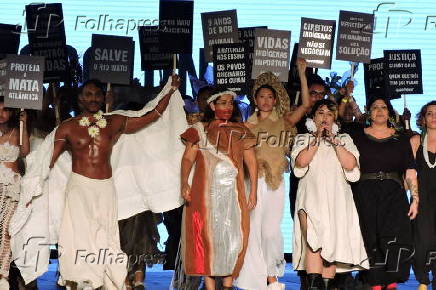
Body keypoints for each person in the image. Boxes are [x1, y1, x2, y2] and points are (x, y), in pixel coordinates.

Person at [49, 75, 181, 289]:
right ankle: (79, 278)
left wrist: (170, 91)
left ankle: (106, 276)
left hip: (105, 186)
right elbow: (50, 160)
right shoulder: (68, 127)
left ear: (104, 98)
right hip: (79, 187)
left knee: (106, 234)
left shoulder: (114, 122)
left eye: (97, 95)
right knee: (77, 234)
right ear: (80, 99)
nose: (93, 99)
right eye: (88, 95)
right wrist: (37, 186)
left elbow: (151, 116)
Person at [235, 59, 309, 290]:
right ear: (255, 100)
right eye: (261, 96)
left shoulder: (284, 122)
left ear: (275, 99)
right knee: (253, 228)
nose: (266, 100)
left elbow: (306, 105)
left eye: (270, 96)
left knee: (270, 230)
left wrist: (302, 74)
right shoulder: (246, 126)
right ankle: (255, 278)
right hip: (253, 182)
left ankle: (272, 273)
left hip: (276, 182)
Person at [179, 90, 258, 290]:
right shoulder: (199, 129)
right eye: (223, 103)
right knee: (206, 235)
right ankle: (209, 285)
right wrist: (184, 182)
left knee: (233, 235)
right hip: (204, 192)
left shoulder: (240, 130)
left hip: (233, 192)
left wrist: (253, 190)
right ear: (212, 106)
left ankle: (228, 285)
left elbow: (251, 161)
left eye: (231, 103)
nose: (228, 107)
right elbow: (188, 158)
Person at [291, 99, 368, 290]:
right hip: (310, 197)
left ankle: (326, 285)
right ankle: (314, 285)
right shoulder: (303, 138)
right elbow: (300, 163)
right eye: (320, 113)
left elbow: (351, 166)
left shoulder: (345, 139)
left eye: (329, 114)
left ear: (334, 119)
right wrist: (317, 140)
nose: (324, 117)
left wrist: (335, 143)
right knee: (313, 242)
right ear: (313, 117)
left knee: (330, 243)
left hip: (336, 199)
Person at [350, 97, 418, 290]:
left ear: (389, 112)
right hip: (365, 192)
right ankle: (375, 283)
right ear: (368, 112)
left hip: (393, 194)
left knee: (394, 237)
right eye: (375, 107)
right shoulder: (356, 136)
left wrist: (415, 199)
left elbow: (410, 172)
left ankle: (391, 283)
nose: (379, 110)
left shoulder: (401, 139)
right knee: (369, 236)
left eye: (383, 107)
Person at [0, 98, 29, 289]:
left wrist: (24, 124)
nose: (1, 114)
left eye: (4, 110)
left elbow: (25, 151)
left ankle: (2, 274)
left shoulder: (16, 132)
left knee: (7, 230)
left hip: (11, 187)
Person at [410, 101, 436, 290]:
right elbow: (410, 173)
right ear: (423, 119)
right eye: (430, 113)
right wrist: (415, 199)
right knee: (422, 240)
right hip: (423, 199)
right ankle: (423, 279)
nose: (434, 117)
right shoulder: (416, 141)